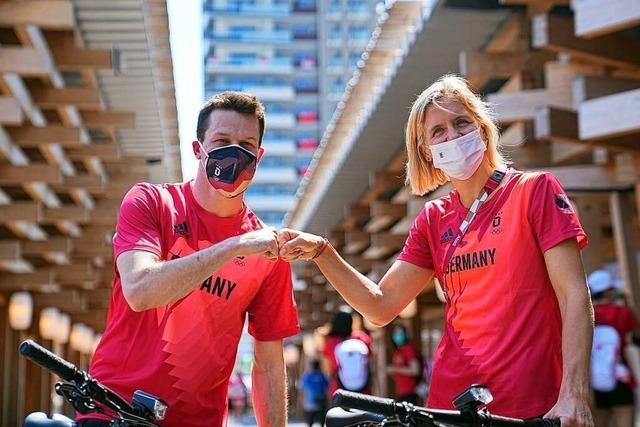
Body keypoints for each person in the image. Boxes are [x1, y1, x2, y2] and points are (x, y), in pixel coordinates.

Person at [277, 75, 594, 426]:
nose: (452, 136)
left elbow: (575, 295)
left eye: (461, 123)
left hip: (531, 406)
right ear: (427, 150)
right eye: (438, 131)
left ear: (483, 129)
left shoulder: (534, 191)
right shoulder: (433, 218)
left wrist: (574, 393)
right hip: (449, 405)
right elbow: (380, 307)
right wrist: (323, 252)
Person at [77, 92, 299, 427]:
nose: (235, 153)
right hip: (114, 409)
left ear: (259, 156)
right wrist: (232, 247)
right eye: (222, 140)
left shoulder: (267, 251)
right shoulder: (151, 203)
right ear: (199, 149)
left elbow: (268, 364)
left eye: (246, 144)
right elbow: (139, 291)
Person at [588, 269, 638, 427]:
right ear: (608, 291)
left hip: (593, 380)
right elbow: (637, 338)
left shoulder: (587, 314)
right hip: (620, 377)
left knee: (599, 421)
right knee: (625, 420)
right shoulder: (622, 312)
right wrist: (628, 304)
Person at [322, 310, 372, 397]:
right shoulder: (361, 337)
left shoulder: (330, 342)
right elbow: (369, 358)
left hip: (339, 390)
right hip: (363, 389)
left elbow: (327, 369)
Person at [387, 324, 421, 404]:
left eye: (400, 333)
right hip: (401, 392)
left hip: (410, 392)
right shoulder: (397, 351)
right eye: (395, 333)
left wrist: (395, 369)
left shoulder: (408, 349)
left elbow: (415, 370)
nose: (398, 336)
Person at [300, 359, 329, 427]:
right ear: (319, 366)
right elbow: (326, 388)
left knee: (310, 422)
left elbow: (302, 389)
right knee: (321, 422)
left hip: (310, 402)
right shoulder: (322, 376)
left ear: (311, 366)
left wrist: (302, 401)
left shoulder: (306, 376)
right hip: (321, 402)